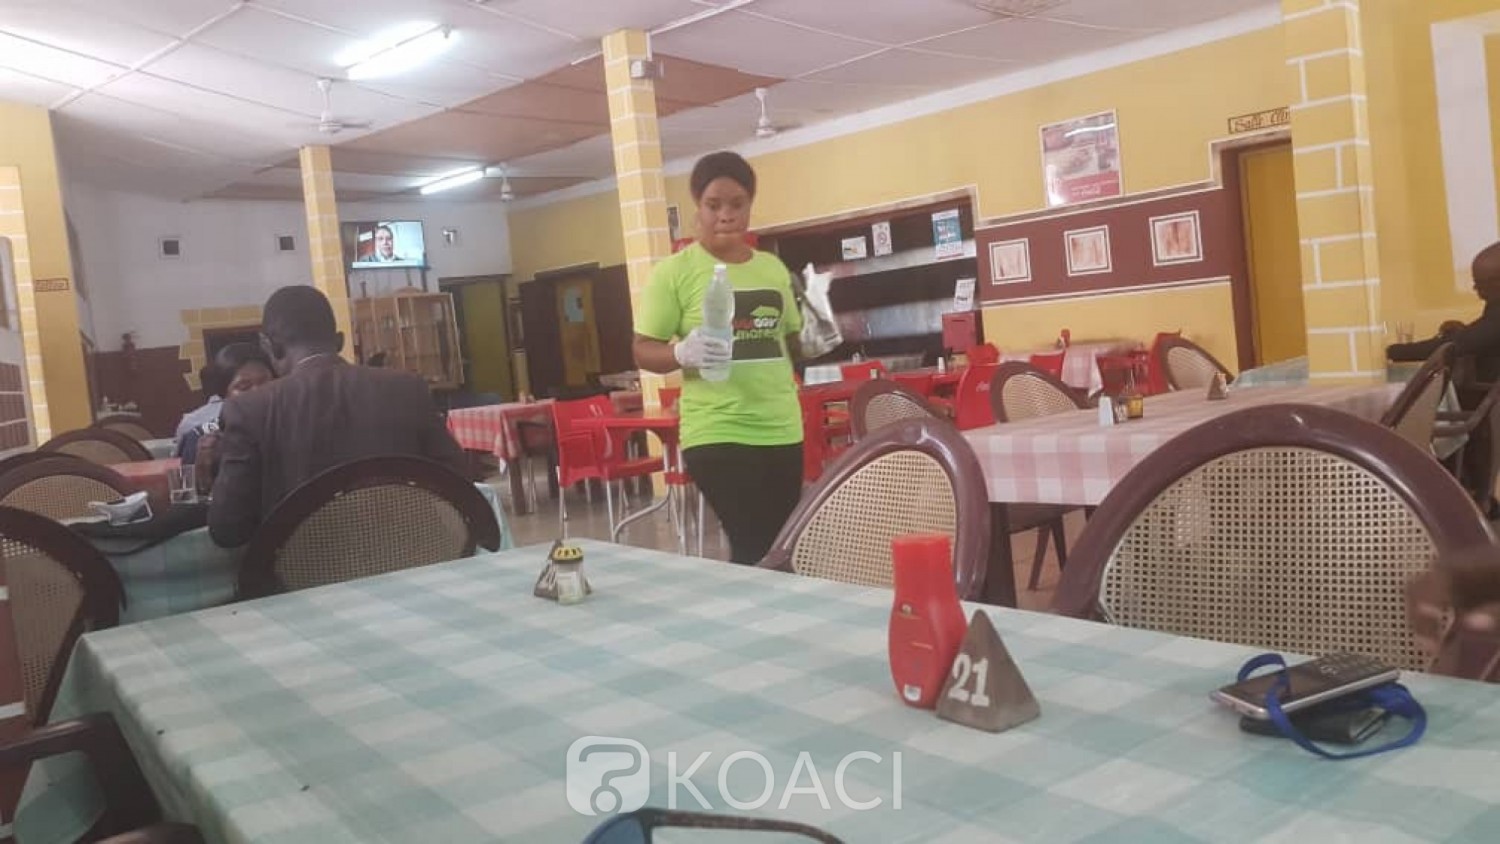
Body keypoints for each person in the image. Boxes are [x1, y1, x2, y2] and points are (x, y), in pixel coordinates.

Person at [633, 151, 804, 565]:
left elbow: (791, 340)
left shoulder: (772, 268)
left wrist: (818, 328)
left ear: (750, 205)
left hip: (781, 427)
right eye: (714, 205)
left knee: (783, 545)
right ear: (698, 206)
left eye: (737, 204)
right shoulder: (675, 272)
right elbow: (642, 348)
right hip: (717, 429)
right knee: (754, 542)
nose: (726, 215)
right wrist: (680, 353)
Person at [207, 285, 470, 548]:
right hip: (412, 559)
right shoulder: (407, 388)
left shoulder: (249, 410)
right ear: (340, 340)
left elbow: (228, 530)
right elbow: (459, 480)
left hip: (301, 571)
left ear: (269, 346)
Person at [1387, 241, 1500, 382]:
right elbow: (1482, 338)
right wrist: (1465, 331)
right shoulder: (1494, 306)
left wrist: (1392, 351)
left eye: (1481, 284)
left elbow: (1453, 346)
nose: (1477, 291)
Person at [178, 343, 275, 478]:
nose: (258, 393)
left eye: (266, 383)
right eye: (244, 387)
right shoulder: (200, 438)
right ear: (224, 394)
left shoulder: (294, 428)